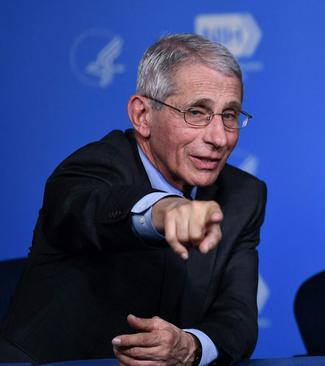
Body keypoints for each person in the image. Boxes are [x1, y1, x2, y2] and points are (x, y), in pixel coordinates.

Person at [0, 34, 266, 366]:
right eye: (197, 112)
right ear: (142, 115)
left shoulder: (244, 195)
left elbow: (237, 317)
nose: (219, 137)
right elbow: (93, 206)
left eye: (230, 115)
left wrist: (191, 347)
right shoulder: (89, 167)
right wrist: (165, 209)